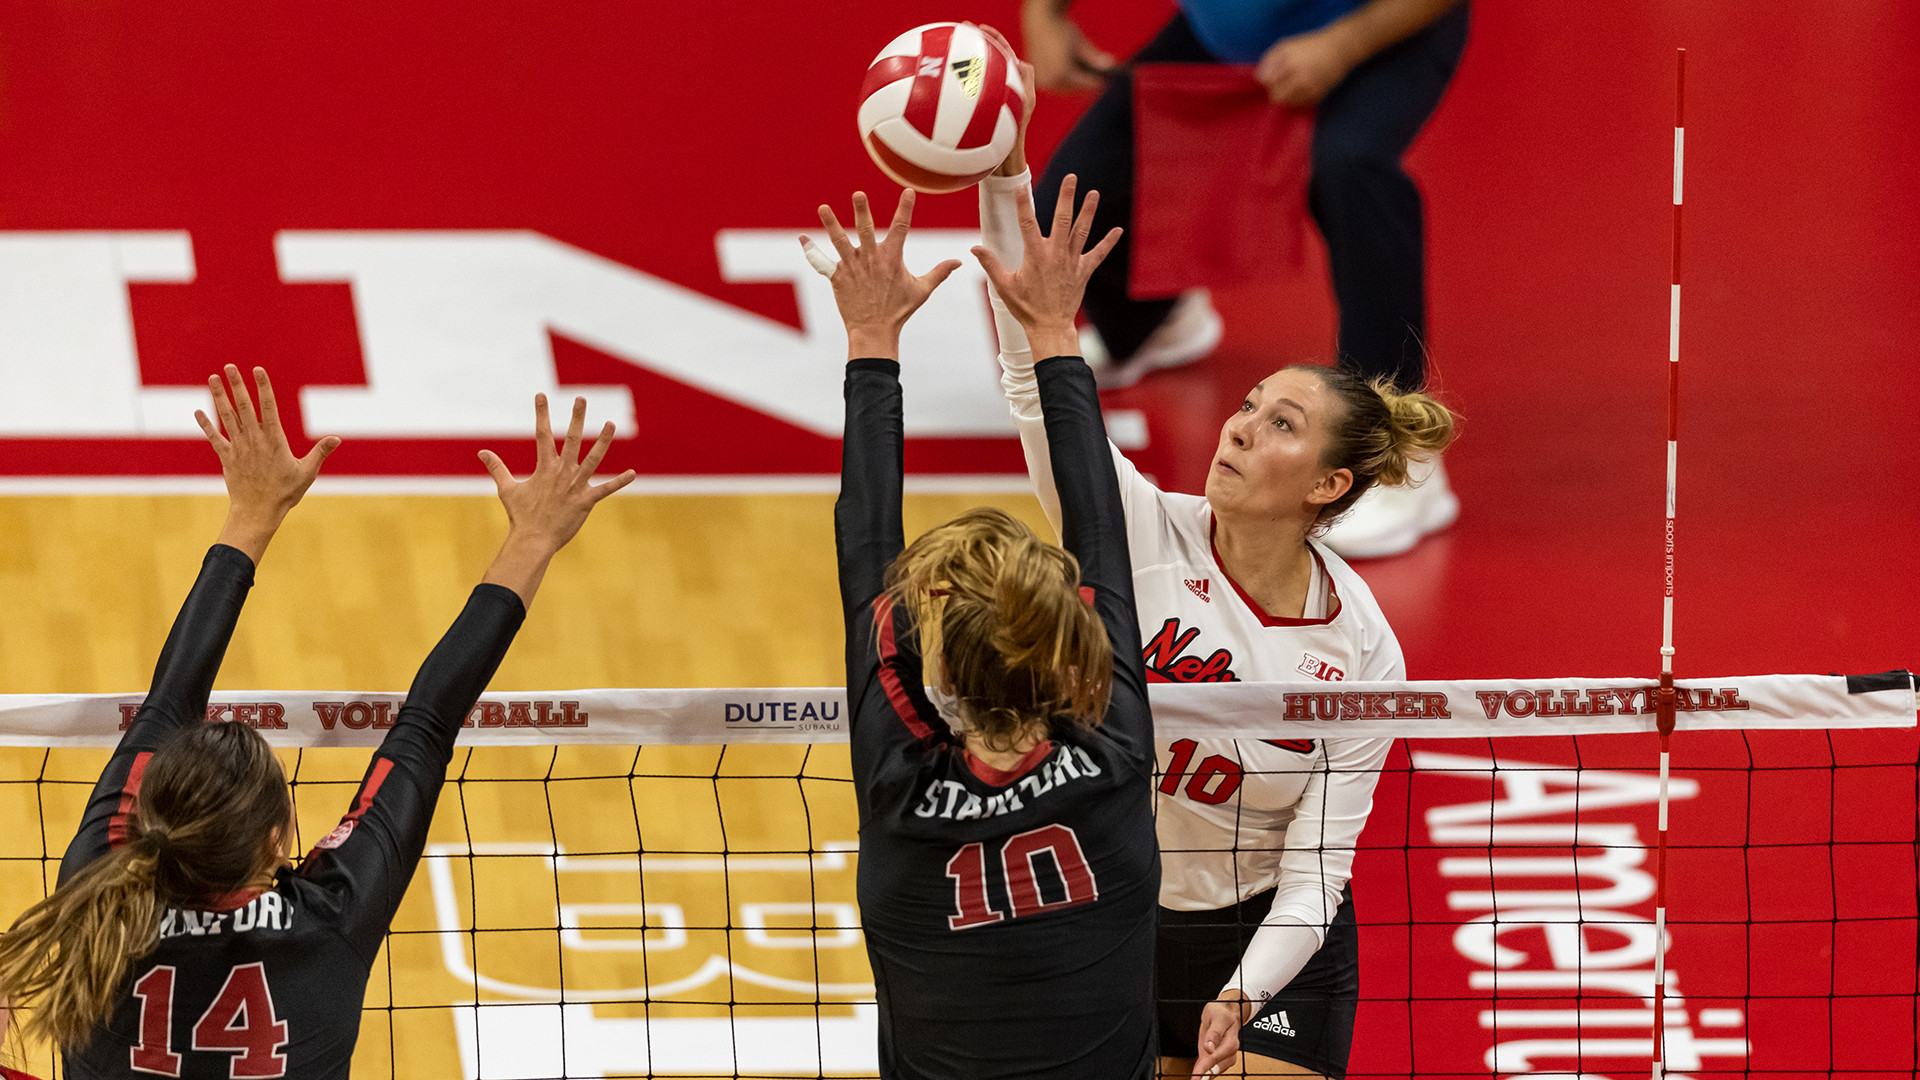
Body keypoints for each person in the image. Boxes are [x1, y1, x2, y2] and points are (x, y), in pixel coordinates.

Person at [981, 85, 1457, 1080]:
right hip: (1112, 910)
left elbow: (1319, 867)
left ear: (1330, 484)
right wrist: (1000, 177)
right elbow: (1037, 392)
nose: (1240, 426)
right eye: (1247, 405)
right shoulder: (1140, 531)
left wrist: (1242, 991)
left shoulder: (1364, 652)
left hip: (1270, 937)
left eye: (1281, 424)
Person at [0, 365, 632, 1078]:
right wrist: (534, 538)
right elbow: (423, 728)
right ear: (278, 839)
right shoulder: (324, 923)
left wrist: (251, 513)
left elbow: (169, 704)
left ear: (146, 809)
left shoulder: (96, 894)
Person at [804, 175, 1159, 1078]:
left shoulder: (902, 786)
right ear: (1075, 659)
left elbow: (867, 548)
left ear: (936, 681)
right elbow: (1101, 531)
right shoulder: (1114, 755)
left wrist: (872, 339)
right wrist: (1051, 329)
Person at [1022, 0, 1469, 558]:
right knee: (1068, 207)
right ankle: (1153, 323)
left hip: (1381, 29)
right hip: (1220, 35)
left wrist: (1340, 47)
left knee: (1350, 170)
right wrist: (1045, 17)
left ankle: (1398, 450)